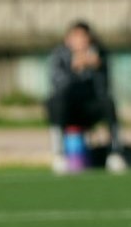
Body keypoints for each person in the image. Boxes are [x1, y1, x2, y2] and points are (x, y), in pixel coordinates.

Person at [47, 21, 126, 173]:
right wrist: (74, 69)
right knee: (55, 102)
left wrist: (96, 67)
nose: (80, 41)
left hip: (91, 106)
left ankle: (115, 153)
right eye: (75, 37)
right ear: (67, 39)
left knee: (108, 103)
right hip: (69, 107)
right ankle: (59, 154)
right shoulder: (60, 56)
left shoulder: (99, 54)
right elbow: (57, 85)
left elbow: (104, 87)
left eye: (83, 37)